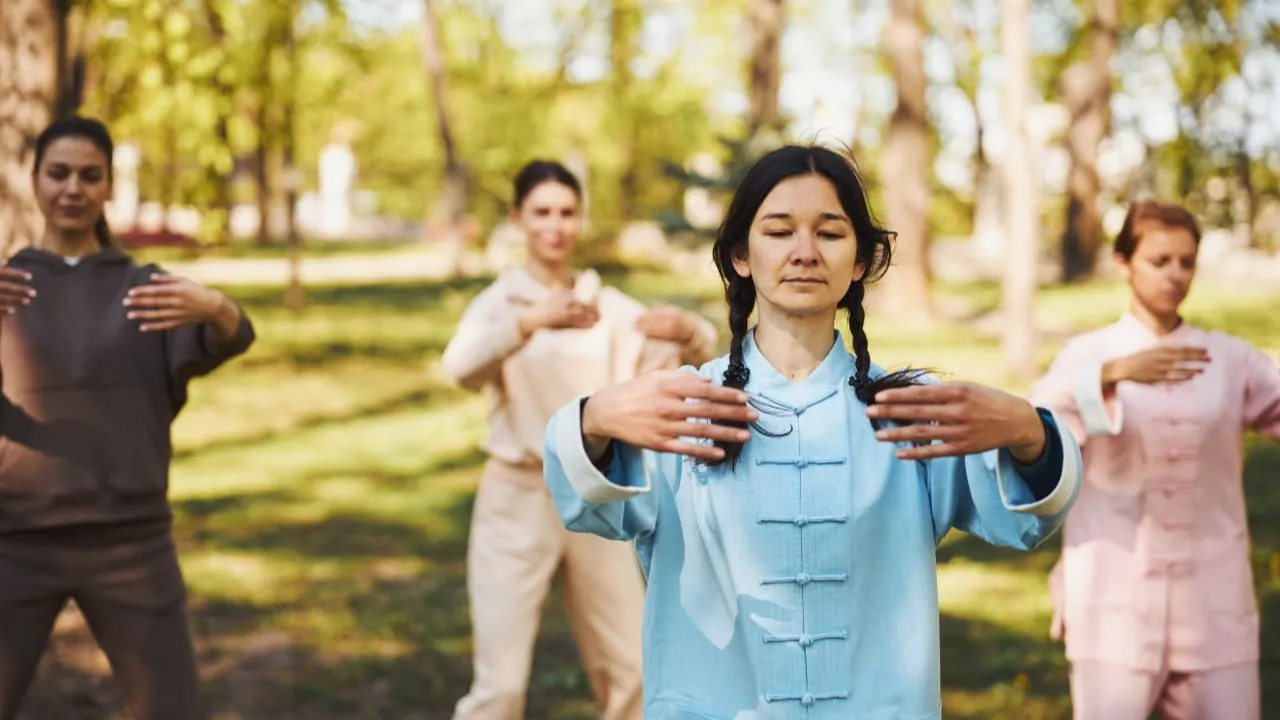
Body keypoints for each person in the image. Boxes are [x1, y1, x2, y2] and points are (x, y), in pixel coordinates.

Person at [539, 144, 1083, 719]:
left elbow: (1025, 521)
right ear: (740, 255)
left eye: (829, 233)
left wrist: (1029, 433)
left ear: (859, 261)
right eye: (778, 232)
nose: (804, 252)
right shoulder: (685, 404)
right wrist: (593, 420)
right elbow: (583, 503)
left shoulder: (910, 411)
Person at [440, 159, 719, 720]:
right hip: (515, 496)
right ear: (519, 218)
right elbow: (460, 368)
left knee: (632, 673)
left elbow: (694, 357)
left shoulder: (607, 305)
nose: (555, 225)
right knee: (500, 686)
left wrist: (691, 331)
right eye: (541, 212)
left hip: (597, 494)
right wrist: (529, 323)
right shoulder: (501, 304)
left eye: (567, 212)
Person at [0, 116, 255, 719]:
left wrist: (218, 306)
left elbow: (233, 335)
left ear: (110, 186)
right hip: (15, 540)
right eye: (58, 173)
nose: (72, 188)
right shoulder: (7, 287)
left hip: (130, 541)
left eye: (90, 176)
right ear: (34, 180)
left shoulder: (146, 290)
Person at [1029, 199, 1279, 720]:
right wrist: (1111, 374)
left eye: (1186, 262)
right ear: (1124, 264)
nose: (1175, 275)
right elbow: (1034, 424)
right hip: (1114, 603)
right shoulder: (1087, 353)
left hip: (1216, 603)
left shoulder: (1227, 358)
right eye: (1160, 261)